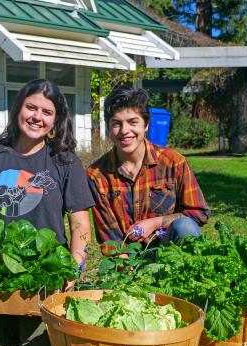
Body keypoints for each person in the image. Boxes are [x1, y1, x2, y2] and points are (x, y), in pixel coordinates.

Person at [0, 79, 94, 346]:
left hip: (42, 272)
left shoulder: (66, 162)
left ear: (56, 120)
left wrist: (74, 268)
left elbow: (80, 223)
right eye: (31, 107)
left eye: (47, 112)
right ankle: (1, 318)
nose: (37, 117)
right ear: (18, 108)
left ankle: (18, 322)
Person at [87, 86, 210, 250]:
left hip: (171, 254)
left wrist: (155, 223)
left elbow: (199, 213)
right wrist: (128, 273)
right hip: (129, 260)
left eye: (133, 122)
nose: (125, 131)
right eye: (116, 123)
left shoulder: (173, 162)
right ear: (109, 128)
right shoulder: (96, 175)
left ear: (146, 125)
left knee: (184, 227)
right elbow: (109, 240)